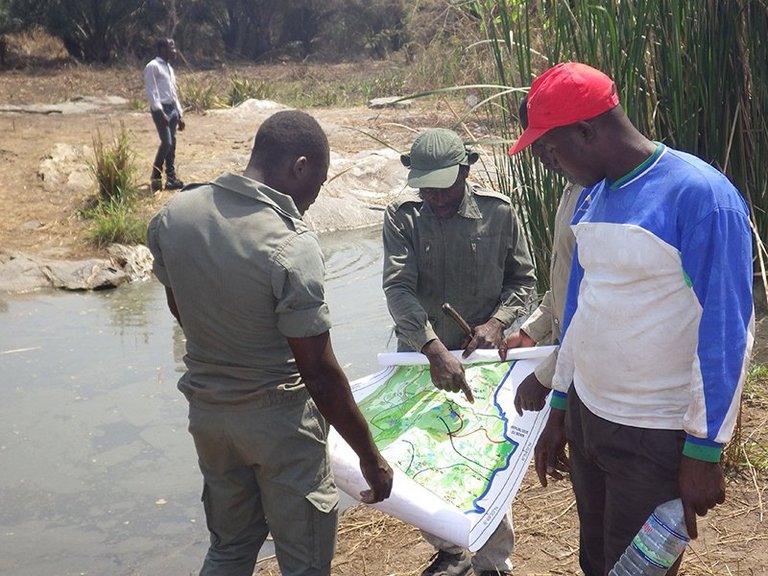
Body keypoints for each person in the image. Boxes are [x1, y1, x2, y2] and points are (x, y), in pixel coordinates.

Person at [509, 62, 755, 575]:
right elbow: (580, 310)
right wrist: (560, 406)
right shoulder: (593, 197)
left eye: (552, 149)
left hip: (652, 434)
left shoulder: (700, 197)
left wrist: (705, 451)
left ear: (588, 130)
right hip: (590, 417)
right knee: (596, 562)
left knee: (639, 569)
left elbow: (728, 331)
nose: (550, 163)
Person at [147, 109, 393, 576]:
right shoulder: (290, 242)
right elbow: (317, 373)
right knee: (304, 563)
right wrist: (369, 455)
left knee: (230, 548)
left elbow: (181, 310)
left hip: (210, 416)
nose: (312, 200)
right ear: (300, 167)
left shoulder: (175, 216)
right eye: (317, 184)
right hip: (279, 427)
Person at [383, 127, 536, 576]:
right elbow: (398, 289)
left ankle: (492, 563)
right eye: (426, 187)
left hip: (483, 363)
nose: (435, 196)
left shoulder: (500, 213)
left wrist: (496, 324)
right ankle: (450, 550)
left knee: (486, 458)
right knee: (420, 456)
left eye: (445, 186)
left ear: (466, 170)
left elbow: (524, 283)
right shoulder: (402, 217)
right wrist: (431, 348)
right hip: (420, 357)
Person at [503, 97, 583, 418]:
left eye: (541, 144)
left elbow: (595, 304)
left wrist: (547, 376)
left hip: (588, 366)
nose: (538, 156)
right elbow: (565, 280)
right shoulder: (571, 188)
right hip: (570, 360)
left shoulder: (599, 196)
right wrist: (531, 331)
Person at [144, 37, 185, 192]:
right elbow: (152, 91)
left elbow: (173, 93)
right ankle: (156, 174)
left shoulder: (169, 67)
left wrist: (179, 114)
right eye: (171, 48)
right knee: (166, 142)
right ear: (162, 49)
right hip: (161, 110)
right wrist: (159, 112)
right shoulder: (153, 67)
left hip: (172, 109)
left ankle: (171, 177)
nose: (174, 51)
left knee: (172, 144)